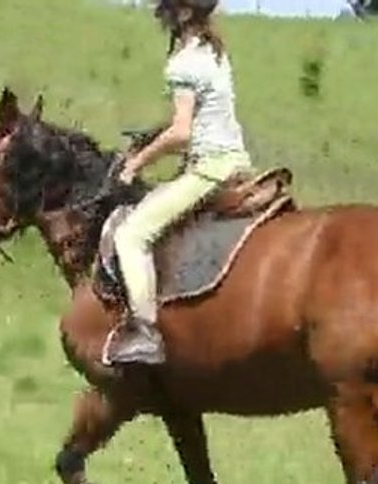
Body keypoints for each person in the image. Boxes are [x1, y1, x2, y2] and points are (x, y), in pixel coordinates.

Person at [108, 0, 253, 366]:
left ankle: (145, 332)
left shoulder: (184, 62)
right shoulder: (213, 51)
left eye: (167, 6)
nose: (161, 13)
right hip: (236, 162)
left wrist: (135, 164)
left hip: (209, 169)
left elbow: (182, 132)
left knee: (131, 235)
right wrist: (152, 136)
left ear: (184, 13)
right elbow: (197, 118)